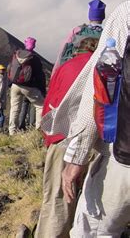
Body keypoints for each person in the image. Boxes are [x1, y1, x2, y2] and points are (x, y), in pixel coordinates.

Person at [59, 0, 130, 237]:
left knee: (94, 231)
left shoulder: (125, 16)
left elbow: (98, 91)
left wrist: (76, 157)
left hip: (124, 158)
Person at [36, 41, 97, 237]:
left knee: (58, 198)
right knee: (93, 200)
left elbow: (49, 104)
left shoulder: (65, 68)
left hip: (62, 139)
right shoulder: (105, 65)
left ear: (77, 51)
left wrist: (48, 138)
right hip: (97, 142)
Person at [51, 0, 106, 76]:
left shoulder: (77, 30)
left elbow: (62, 53)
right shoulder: (107, 32)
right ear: (103, 16)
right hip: (98, 72)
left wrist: (54, 75)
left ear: (89, 15)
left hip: (75, 71)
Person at [8, 37, 46, 135]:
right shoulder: (34, 58)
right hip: (29, 86)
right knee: (40, 106)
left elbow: (10, 68)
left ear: (25, 44)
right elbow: (40, 75)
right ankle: (39, 130)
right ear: (33, 45)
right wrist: (42, 90)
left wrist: (10, 83)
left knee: (15, 108)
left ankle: (12, 131)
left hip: (15, 85)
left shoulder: (16, 54)